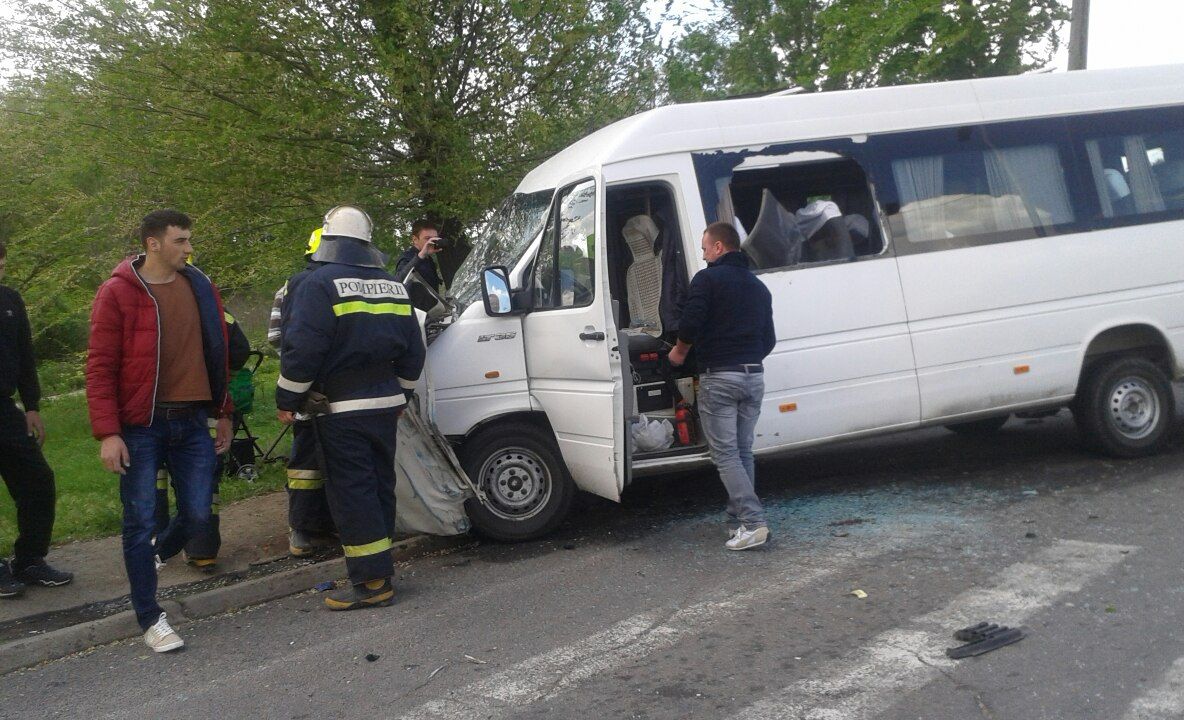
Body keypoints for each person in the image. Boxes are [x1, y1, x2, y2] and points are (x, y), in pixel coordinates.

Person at [86, 209, 234, 652]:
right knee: (140, 521)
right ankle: (151, 618)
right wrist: (108, 433)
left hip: (192, 422)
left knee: (196, 515)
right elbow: (100, 367)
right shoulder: (117, 293)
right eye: (181, 240)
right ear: (154, 243)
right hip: (140, 427)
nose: (189, 248)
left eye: (189, 240)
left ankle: (154, 556)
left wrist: (223, 411)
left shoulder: (201, 287)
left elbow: (218, 353)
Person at [276, 205, 424, 611]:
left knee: (352, 491)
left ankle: (373, 583)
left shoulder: (317, 284)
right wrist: (403, 396)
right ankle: (381, 567)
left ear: (328, 238)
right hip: (386, 405)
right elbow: (414, 351)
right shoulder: (393, 284)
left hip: (341, 409)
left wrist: (287, 399)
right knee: (378, 486)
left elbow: (302, 350)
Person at [667, 221, 776, 551]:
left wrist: (679, 352)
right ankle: (737, 522)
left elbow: (690, 321)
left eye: (704, 248)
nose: (702, 255)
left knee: (725, 455)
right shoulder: (759, 288)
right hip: (753, 376)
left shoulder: (708, 279)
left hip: (721, 377)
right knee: (743, 452)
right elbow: (768, 339)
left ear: (718, 247)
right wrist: (747, 358)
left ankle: (754, 522)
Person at [0, 241, 73, 598]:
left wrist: (32, 406)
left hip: (5, 411)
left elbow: (26, 356)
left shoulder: (10, 301)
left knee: (37, 481)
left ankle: (29, 560)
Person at [154, 307, 251, 569]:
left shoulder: (136, 300)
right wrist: (219, 375)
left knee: (153, 477)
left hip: (150, 410)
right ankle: (202, 548)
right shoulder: (206, 301)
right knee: (201, 477)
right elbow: (240, 348)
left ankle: (154, 546)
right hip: (204, 405)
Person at [267, 228, 338, 556]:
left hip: (307, 390)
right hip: (325, 391)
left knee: (310, 459)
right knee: (315, 461)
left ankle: (309, 529)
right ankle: (311, 528)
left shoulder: (293, 285)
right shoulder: (314, 285)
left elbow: (274, 338)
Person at [393, 219, 447, 298]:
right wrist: (420, 256)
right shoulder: (407, 257)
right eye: (427, 238)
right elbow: (398, 282)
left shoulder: (428, 259)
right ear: (415, 239)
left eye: (434, 239)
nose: (431, 242)